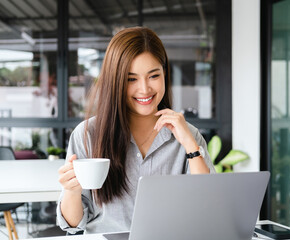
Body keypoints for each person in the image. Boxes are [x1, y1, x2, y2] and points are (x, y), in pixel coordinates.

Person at [57, 26, 215, 234]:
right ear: (116, 82)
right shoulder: (88, 134)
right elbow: (72, 224)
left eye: (153, 76)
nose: (144, 89)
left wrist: (191, 147)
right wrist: (71, 191)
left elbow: (208, 209)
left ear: (164, 74)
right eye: (131, 79)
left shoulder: (188, 135)